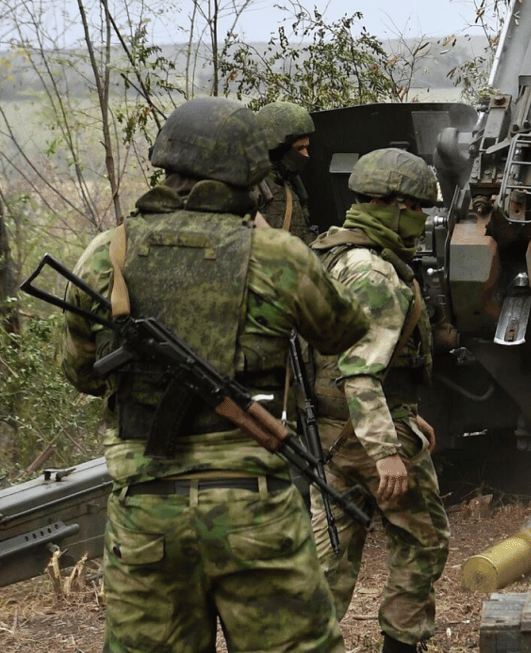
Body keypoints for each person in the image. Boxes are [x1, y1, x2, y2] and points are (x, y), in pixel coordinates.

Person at [58, 96, 369, 653]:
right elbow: (343, 331)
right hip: (254, 502)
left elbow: (81, 371)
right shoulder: (277, 255)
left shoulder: (108, 255)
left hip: (145, 507)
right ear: (250, 175)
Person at [308, 147, 450, 653]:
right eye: (419, 209)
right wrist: (387, 448)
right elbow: (361, 373)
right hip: (365, 437)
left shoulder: (330, 253)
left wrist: (408, 417)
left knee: (331, 559)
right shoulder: (376, 274)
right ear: (393, 206)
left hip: (325, 436)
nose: (423, 220)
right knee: (422, 542)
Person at [256, 100, 317, 242]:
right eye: (299, 148)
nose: (306, 154)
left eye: (307, 147)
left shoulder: (289, 184)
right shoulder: (255, 189)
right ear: (278, 150)